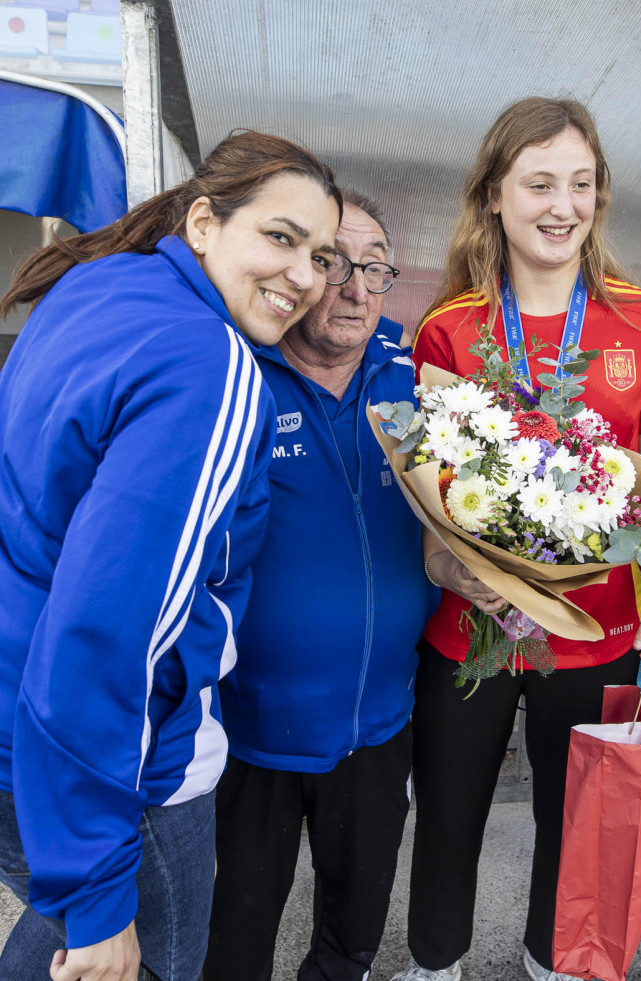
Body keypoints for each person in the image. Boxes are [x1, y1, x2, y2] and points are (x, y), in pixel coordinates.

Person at [0, 130, 344, 981]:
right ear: (202, 222)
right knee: (125, 952)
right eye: (280, 237)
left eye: (322, 255)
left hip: (25, 724)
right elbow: (109, 628)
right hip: (119, 758)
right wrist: (97, 888)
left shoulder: (103, 284)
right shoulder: (210, 366)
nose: (304, 275)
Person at [389, 97, 641, 981]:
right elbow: (432, 492)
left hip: (595, 628)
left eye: (581, 184)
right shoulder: (450, 327)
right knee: (447, 811)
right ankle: (435, 964)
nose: (562, 206)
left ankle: (551, 961)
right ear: (491, 195)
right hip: (468, 628)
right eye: (538, 184)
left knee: (575, 817)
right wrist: (448, 562)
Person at [203, 190, 436, 981]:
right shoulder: (238, 378)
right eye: (335, 261)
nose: (356, 288)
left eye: (376, 268)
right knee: (232, 937)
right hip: (249, 733)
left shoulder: (415, 385)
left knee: (352, 935)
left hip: (377, 726)